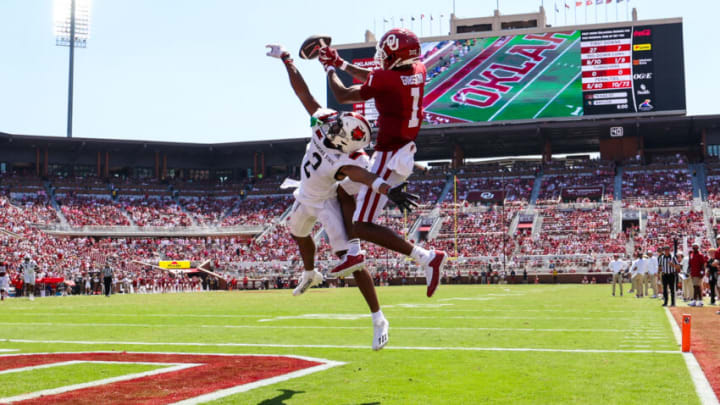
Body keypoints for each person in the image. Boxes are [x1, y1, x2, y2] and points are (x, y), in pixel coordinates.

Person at [268, 44, 418, 350]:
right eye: (337, 122)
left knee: (352, 263)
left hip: (326, 203)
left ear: (346, 140)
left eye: (339, 127)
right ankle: (310, 273)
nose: (332, 124)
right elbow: (304, 95)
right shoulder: (326, 122)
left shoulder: (346, 161)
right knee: (297, 232)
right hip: (305, 193)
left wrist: (390, 190)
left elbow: (365, 176)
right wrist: (287, 60)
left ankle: (378, 318)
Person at [319, 28, 447, 298]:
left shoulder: (387, 78)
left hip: (389, 155)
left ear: (395, 57)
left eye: (387, 54)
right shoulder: (419, 69)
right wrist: (340, 63)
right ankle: (353, 253)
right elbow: (378, 78)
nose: (382, 58)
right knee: (346, 191)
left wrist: (328, 70)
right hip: (400, 150)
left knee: (361, 225)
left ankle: (426, 257)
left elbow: (343, 95)